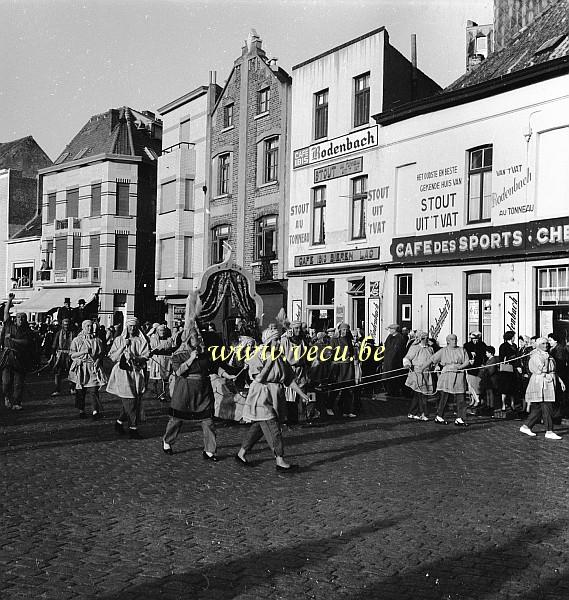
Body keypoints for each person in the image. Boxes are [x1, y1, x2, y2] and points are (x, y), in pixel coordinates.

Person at [236, 326, 310, 471]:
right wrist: (269, 362)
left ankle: (241, 453)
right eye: (276, 340)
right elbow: (257, 378)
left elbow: (289, 379)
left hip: (276, 395)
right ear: (269, 341)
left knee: (258, 427)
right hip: (261, 396)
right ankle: (280, 459)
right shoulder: (258, 355)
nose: (278, 342)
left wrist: (302, 394)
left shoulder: (280, 356)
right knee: (274, 428)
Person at [161, 326, 218, 459]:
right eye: (195, 336)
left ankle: (210, 451)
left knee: (208, 421)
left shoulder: (205, 354)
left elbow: (213, 368)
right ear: (187, 339)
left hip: (203, 392)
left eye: (198, 336)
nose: (199, 338)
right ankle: (167, 441)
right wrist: (191, 358)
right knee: (176, 420)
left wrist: (227, 374)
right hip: (184, 391)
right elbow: (179, 372)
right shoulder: (178, 356)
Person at [107, 317, 150, 439]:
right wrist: (122, 348)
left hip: (136, 373)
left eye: (134, 326)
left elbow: (146, 355)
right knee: (130, 400)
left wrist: (137, 358)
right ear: (126, 327)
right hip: (122, 373)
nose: (132, 328)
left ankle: (119, 423)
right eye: (130, 326)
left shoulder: (141, 341)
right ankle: (133, 429)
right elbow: (112, 358)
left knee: (134, 400)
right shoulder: (119, 339)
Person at [519, 337, 565, 440]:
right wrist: (546, 360)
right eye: (543, 343)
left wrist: (560, 381)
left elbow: (553, 370)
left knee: (540, 407)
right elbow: (542, 369)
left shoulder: (547, 355)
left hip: (548, 382)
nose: (546, 345)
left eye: (547, 343)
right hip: (541, 383)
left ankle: (526, 426)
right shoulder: (536, 356)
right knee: (547, 405)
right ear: (538, 345)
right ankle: (549, 430)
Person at [422, 333, 471, 426]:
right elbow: (432, 359)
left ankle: (460, 418)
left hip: (459, 375)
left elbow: (467, 361)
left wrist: (460, 367)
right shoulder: (443, 351)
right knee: (444, 396)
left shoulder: (462, 350)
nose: (454, 341)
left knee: (461, 397)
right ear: (448, 341)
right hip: (447, 375)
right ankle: (439, 416)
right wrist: (422, 369)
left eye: (455, 339)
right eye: (452, 339)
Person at [0, 294, 35, 410]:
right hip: (7, 357)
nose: (21, 319)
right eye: (19, 317)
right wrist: (10, 300)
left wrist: (13, 339)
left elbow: (26, 342)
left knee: (18, 383)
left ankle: (17, 403)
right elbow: (5, 313)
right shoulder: (9, 325)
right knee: (6, 382)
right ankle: (6, 397)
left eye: (23, 318)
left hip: (20, 358)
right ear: (15, 319)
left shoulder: (27, 331)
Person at [68, 320, 106, 419]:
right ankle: (81, 411)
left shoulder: (97, 340)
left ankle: (95, 411)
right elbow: (72, 354)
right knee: (81, 391)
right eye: (87, 326)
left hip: (92, 368)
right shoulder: (77, 340)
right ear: (83, 327)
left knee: (94, 390)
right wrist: (83, 352)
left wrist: (98, 360)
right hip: (81, 368)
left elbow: (101, 353)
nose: (90, 328)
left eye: (91, 326)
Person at [280, 321, 309, 423]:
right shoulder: (285, 340)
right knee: (290, 395)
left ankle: (302, 418)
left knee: (302, 393)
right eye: (296, 328)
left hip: (300, 370)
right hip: (290, 369)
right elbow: (282, 355)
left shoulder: (302, 340)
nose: (298, 330)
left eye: (299, 328)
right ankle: (290, 418)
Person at [403, 331, 434, 421]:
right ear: (420, 339)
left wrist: (436, 366)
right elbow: (407, 358)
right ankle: (424, 413)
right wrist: (407, 364)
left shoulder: (430, 349)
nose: (426, 340)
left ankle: (412, 412)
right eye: (424, 338)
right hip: (417, 373)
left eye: (427, 338)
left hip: (427, 374)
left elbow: (433, 359)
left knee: (418, 394)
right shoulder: (415, 348)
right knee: (422, 394)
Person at [328, 323, 357, 418]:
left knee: (348, 389)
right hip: (339, 367)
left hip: (348, 367)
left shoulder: (348, 340)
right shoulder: (334, 340)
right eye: (343, 330)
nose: (345, 332)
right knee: (336, 388)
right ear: (339, 330)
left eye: (346, 330)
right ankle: (329, 407)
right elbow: (331, 353)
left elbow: (351, 352)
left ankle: (347, 410)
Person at [148, 324, 174, 402]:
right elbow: (154, 347)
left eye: (163, 330)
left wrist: (160, 348)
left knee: (165, 378)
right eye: (160, 330)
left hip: (166, 360)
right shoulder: (153, 338)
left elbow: (168, 346)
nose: (162, 332)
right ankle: (160, 394)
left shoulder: (169, 339)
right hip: (157, 360)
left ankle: (163, 393)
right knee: (158, 378)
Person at [50, 318, 75, 396]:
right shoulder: (58, 333)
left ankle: (72, 388)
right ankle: (57, 389)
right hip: (60, 355)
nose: (66, 326)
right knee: (58, 373)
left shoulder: (73, 333)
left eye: (67, 325)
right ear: (62, 325)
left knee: (72, 371)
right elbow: (54, 345)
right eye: (64, 325)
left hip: (70, 354)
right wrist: (52, 356)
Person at [463, 331, 488, 407]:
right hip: (469, 367)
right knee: (470, 385)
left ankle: (478, 399)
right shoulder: (467, 345)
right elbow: (464, 355)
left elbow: (485, 356)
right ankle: (473, 399)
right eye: (474, 339)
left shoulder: (482, 345)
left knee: (477, 384)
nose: (475, 341)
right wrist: (469, 357)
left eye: (477, 339)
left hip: (478, 367)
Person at [497, 331, 519, 412]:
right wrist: (511, 357)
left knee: (512, 389)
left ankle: (512, 404)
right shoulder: (503, 346)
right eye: (514, 336)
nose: (514, 338)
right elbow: (502, 358)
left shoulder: (514, 345)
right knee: (504, 388)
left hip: (513, 370)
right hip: (506, 370)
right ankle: (503, 405)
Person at [383, 324, 406, 396]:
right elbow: (386, 345)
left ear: (394, 330)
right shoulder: (390, 336)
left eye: (390, 329)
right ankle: (389, 391)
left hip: (395, 361)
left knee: (394, 376)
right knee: (388, 376)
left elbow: (398, 351)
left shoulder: (399, 338)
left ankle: (395, 392)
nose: (389, 330)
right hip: (388, 360)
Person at [479, 346, 500, 411]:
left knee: (490, 392)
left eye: (487, 353)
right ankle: (488, 405)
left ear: (490, 353)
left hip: (491, 379)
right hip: (488, 379)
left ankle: (491, 405)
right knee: (488, 392)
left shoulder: (493, 360)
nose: (486, 354)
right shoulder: (489, 360)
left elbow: (491, 370)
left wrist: (484, 369)